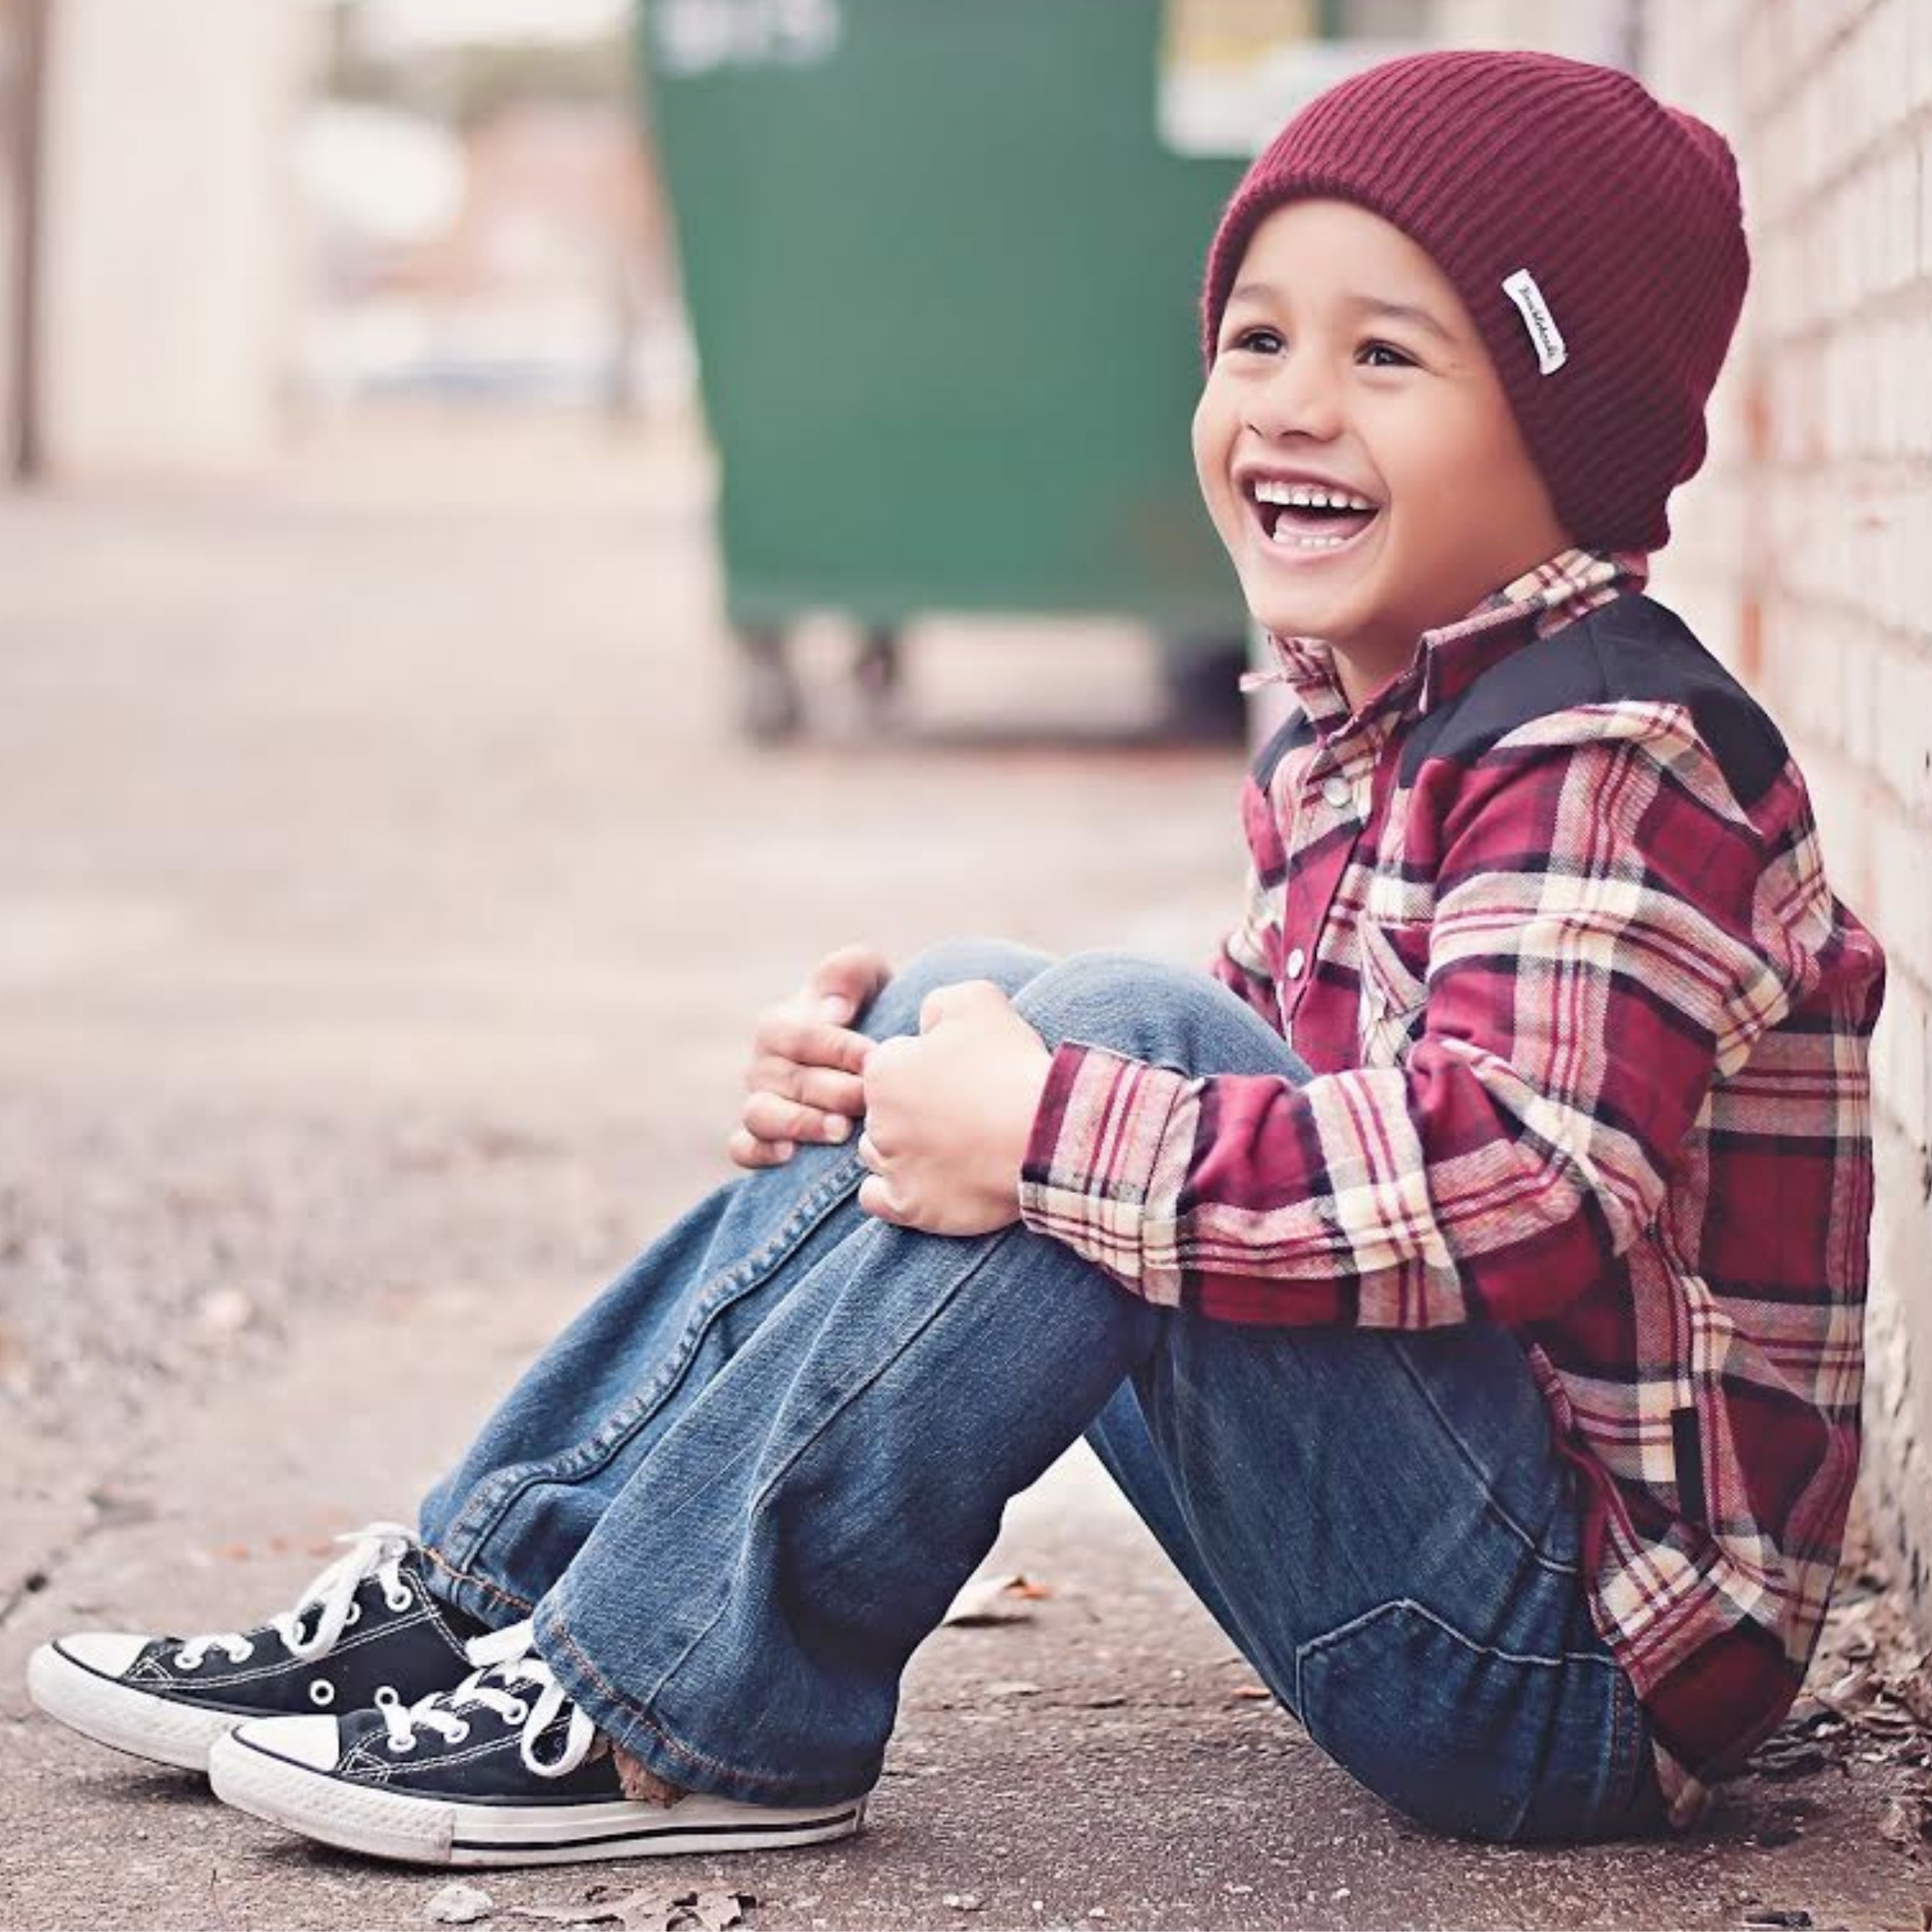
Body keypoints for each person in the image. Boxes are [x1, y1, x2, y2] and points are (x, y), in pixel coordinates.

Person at [27, 48, 1885, 1867]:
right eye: (1253, 338)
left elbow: (1509, 1188)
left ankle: (678, 1715)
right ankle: (488, 1588)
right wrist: (884, 1123)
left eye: (1383, 353)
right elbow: (1286, 1111)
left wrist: (1042, 1127)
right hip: (1446, 1537)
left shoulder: (1613, 755)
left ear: (1563, 431)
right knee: (976, 1004)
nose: (1290, 403)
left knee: (1086, 1060)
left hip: (1566, 1666)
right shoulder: (1372, 721)